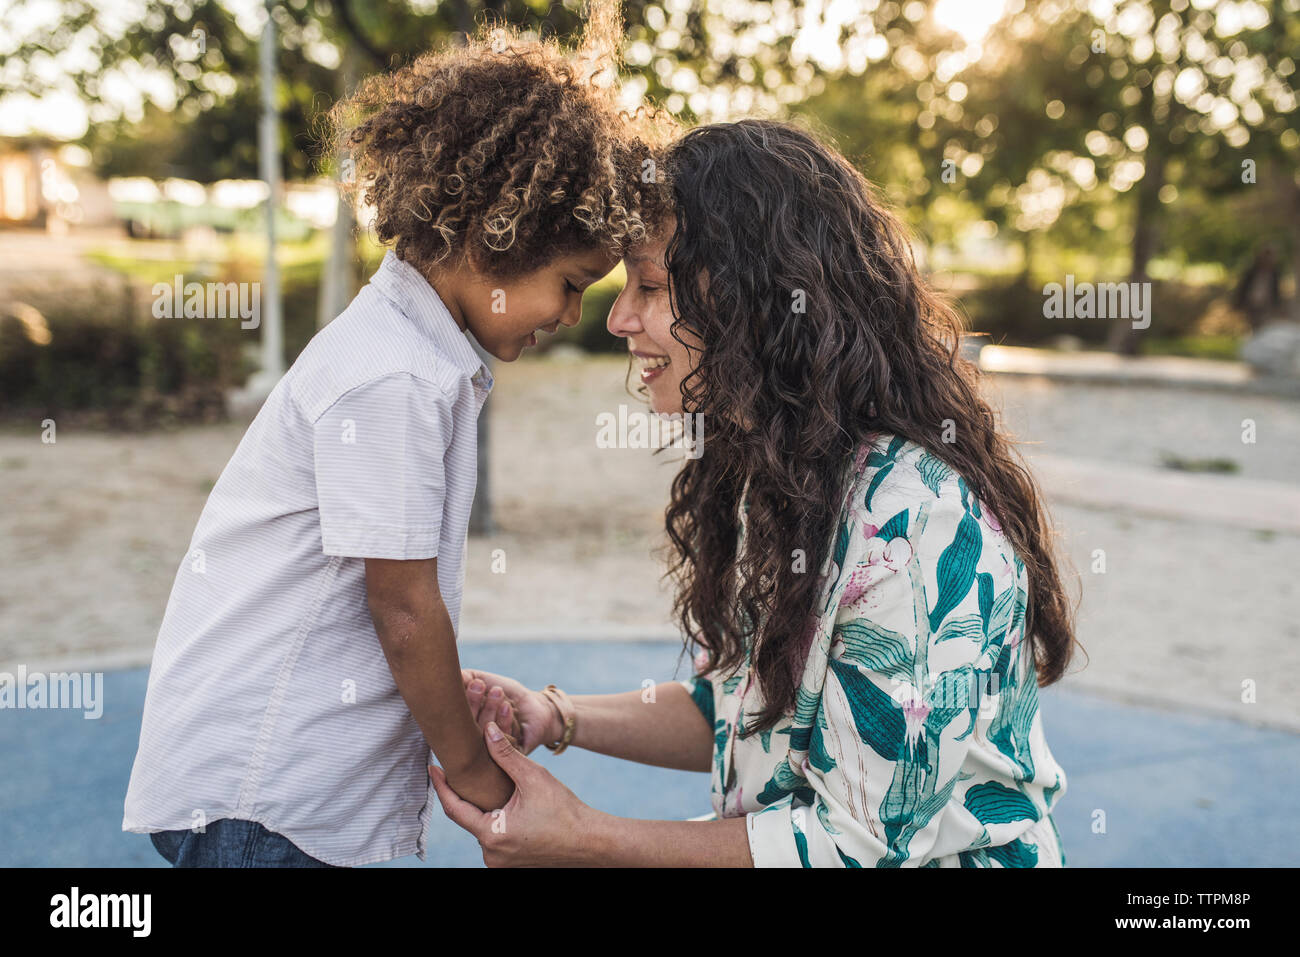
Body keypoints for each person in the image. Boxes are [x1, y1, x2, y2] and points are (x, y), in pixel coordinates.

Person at [433, 120, 1081, 867]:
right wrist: (555, 714)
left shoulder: (914, 527)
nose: (618, 319)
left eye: (648, 285)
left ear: (749, 298)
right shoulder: (778, 473)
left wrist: (583, 837)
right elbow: (743, 712)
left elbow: (853, 844)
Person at [122, 20, 667, 868]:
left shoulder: (408, 356)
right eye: (567, 286)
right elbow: (405, 609)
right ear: (496, 231)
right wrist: (483, 782)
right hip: (264, 803)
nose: (570, 318)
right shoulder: (394, 377)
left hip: (274, 801)